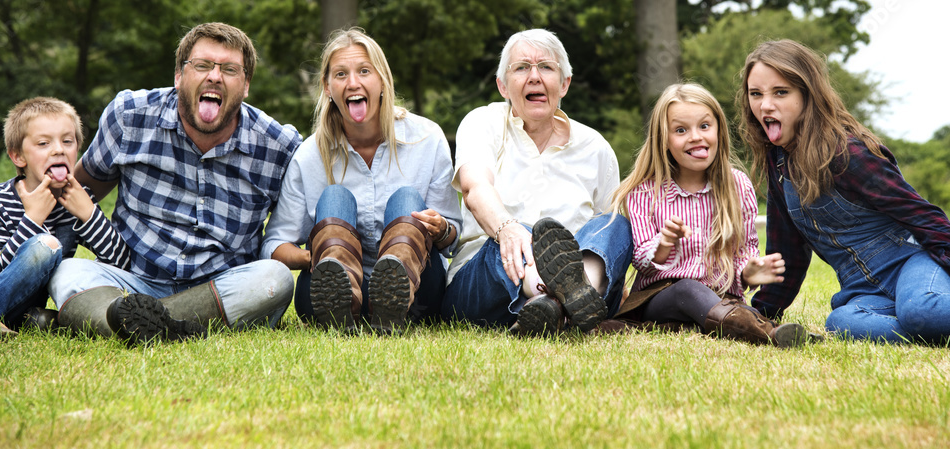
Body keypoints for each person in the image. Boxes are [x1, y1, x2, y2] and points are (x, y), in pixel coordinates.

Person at [33, 22, 303, 344]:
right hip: (133, 280)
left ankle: (112, 323)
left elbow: (313, 199)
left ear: (245, 85)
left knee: (275, 278)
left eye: (230, 69)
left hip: (219, 286)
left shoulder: (279, 146)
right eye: (202, 65)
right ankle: (166, 324)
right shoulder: (129, 116)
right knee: (67, 272)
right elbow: (72, 189)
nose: (214, 76)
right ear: (178, 76)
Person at [740, 39, 950, 343]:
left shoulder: (846, 153)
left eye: (780, 92)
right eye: (755, 94)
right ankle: (926, 328)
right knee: (842, 322)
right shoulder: (778, 162)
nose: (765, 105)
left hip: (913, 265)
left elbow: (926, 218)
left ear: (807, 95)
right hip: (863, 291)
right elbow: (786, 252)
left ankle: (927, 319)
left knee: (922, 311)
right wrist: (762, 316)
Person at [262, 28, 462, 332]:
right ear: (327, 87)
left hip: (417, 294)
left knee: (407, 199)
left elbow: (453, 240)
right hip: (328, 298)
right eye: (340, 74)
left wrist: (441, 228)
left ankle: (391, 300)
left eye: (364, 71)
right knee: (335, 198)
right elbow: (274, 245)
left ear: (382, 80)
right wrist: (315, 256)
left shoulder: (427, 138)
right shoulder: (309, 155)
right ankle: (342, 302)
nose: (353, 82)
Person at [441, 28, 633, 336]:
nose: (534, 76)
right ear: (503, 86)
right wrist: (507, 228)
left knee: (616, 223)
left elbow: (605, 239)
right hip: (482, 283)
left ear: (565, 84)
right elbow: (474, 187)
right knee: (518, 235)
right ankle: (566, 303)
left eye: (546, 66)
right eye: (521, 67)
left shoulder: (595, 147)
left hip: (581, 276)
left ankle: (563, 304)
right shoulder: (483, 122)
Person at [607, 83, 811, 346]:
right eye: (681, 130)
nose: (696, 137)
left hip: (722, 298)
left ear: (718, 130)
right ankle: (768, 333)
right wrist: (664, 243)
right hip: (661, 297)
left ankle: (735, 322)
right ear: (664, 139)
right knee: (688, 290)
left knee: (713, 300)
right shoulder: (645, 191)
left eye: (704, 126)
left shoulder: (737, 185)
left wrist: (749, 272)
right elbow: (641, 262)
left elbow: (745, 250)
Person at [0, 97, 129, 343]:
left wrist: (89, 214)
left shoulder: (76, 202)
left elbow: (121, 262)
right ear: (18, 157)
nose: (58, 149)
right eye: (43, 143)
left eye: (68, 141)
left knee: (47, 246)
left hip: (22, 300)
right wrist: (32, 219)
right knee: (45, 245)